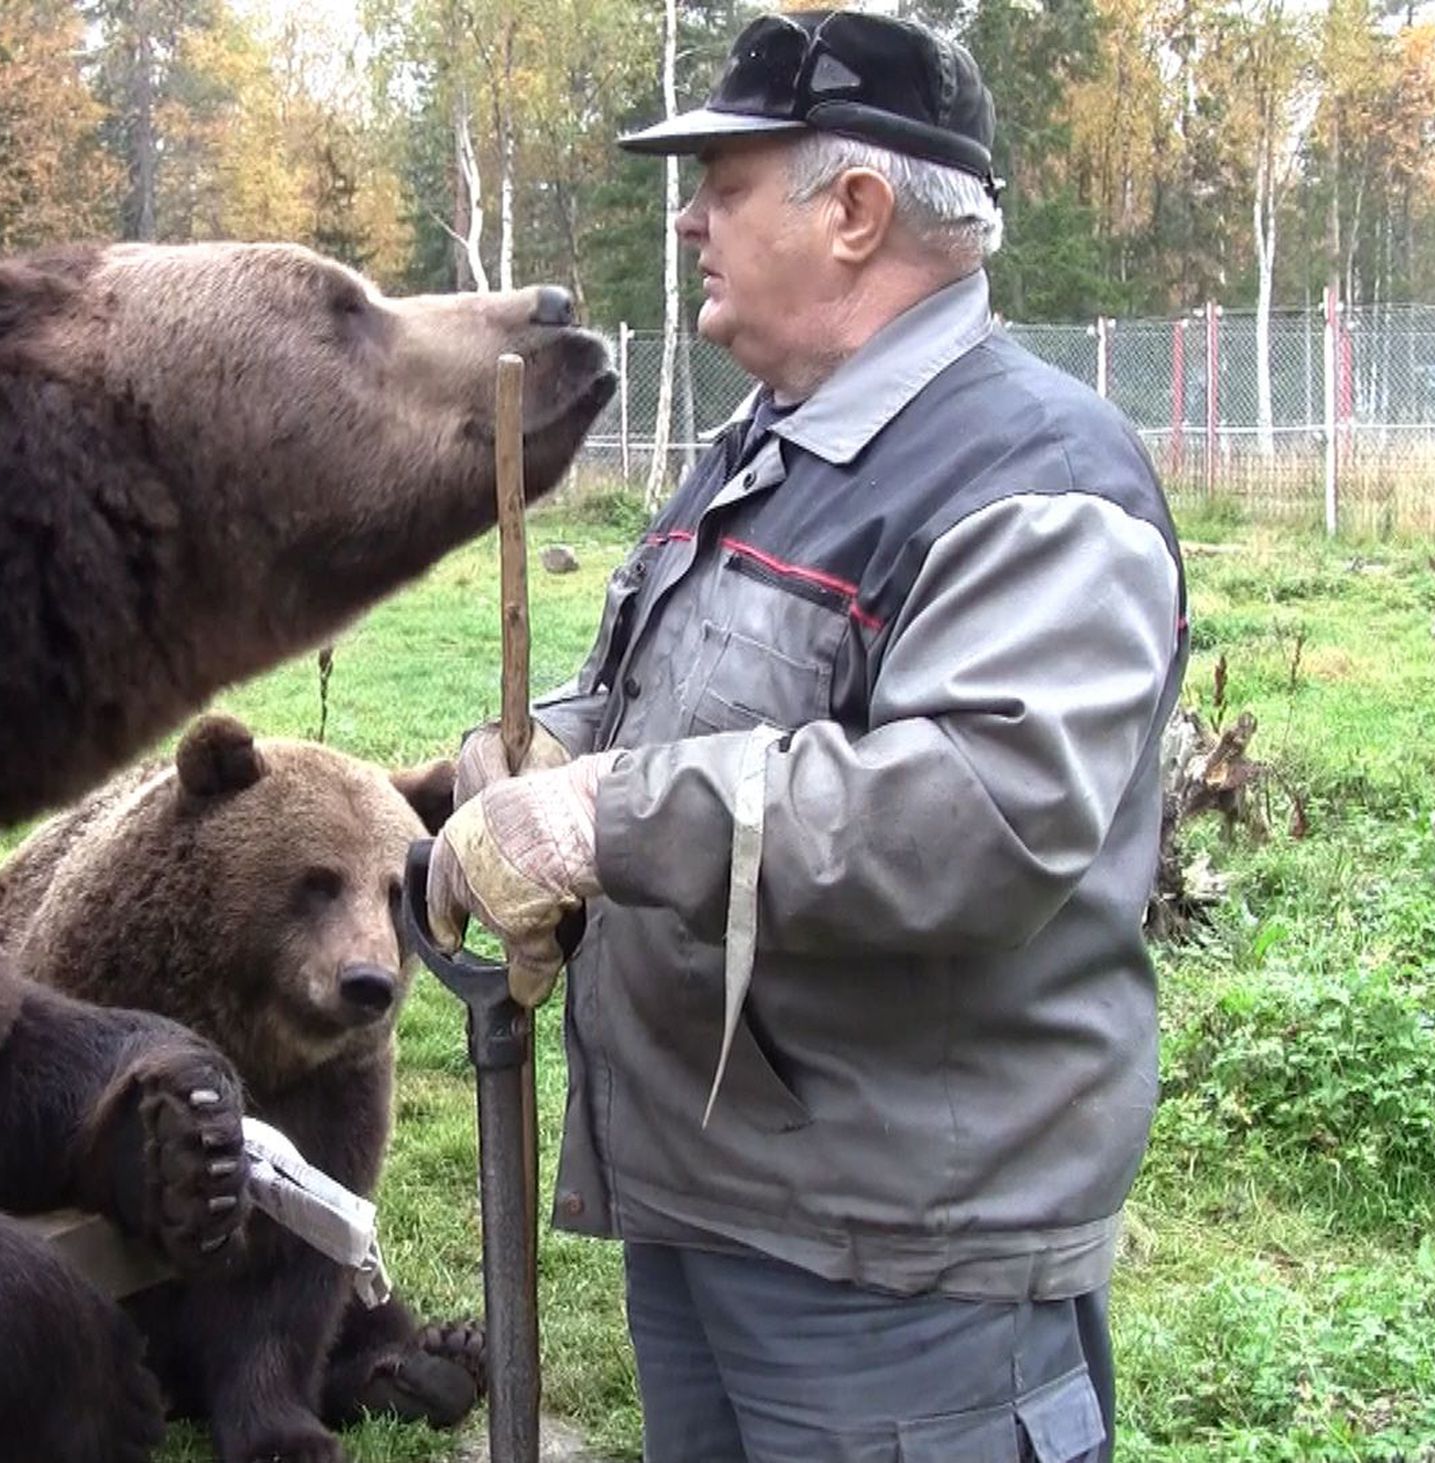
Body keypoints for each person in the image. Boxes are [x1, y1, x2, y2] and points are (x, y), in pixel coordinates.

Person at [424, 10, 1189, 1462]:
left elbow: (985, 813)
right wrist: (533, 758)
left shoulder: (1038, 474)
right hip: (722, 1197)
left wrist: (610, 819)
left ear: (854, 210)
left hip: (898, 1258)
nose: (689, 217)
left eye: (725, 180)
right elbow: (689, 701)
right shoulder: (774, 445)